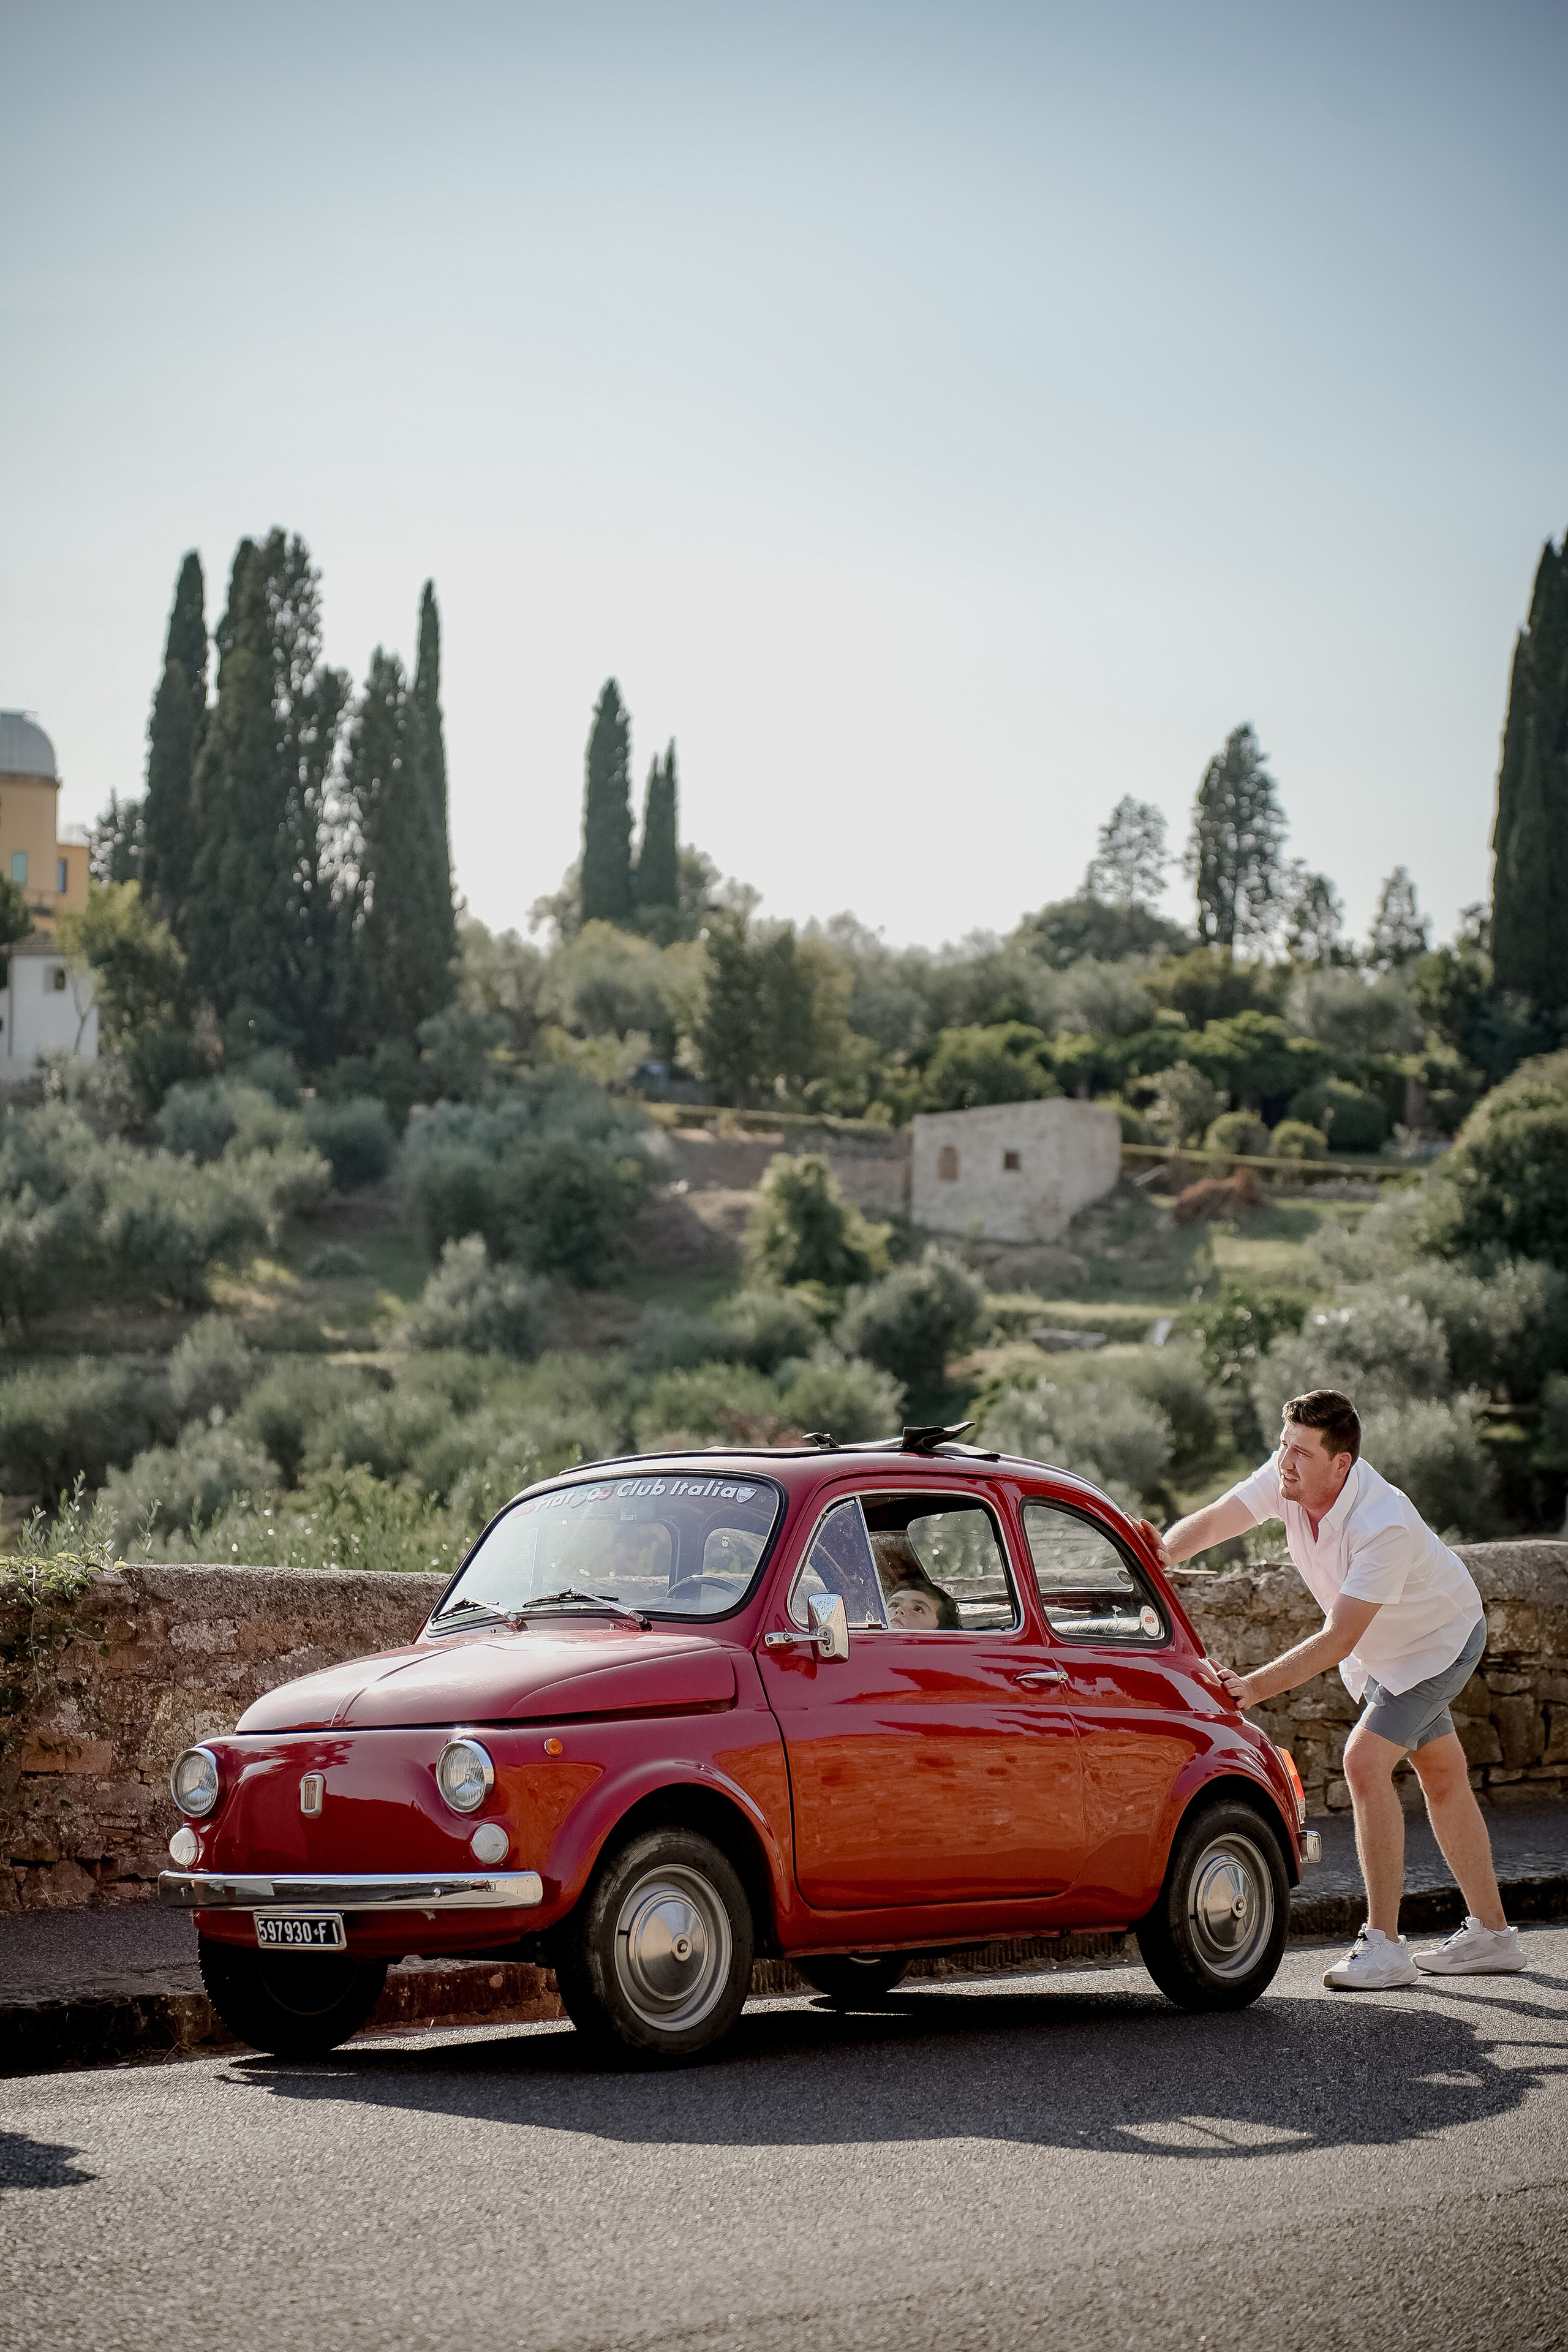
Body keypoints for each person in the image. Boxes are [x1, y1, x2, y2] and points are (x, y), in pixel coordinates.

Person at [1153, 1387, 1527, 1991]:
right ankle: (1493, 1936)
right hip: (1389, 1647)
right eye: (1283, 1445)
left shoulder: (1382, 1523)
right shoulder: (1289, 1477)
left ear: (1340, 1463)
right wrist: (1164, 1552)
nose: (1285, 1461)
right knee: (1442, 1775)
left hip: (1438, 1642)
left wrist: (1251, 1687)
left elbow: (1338, 1639)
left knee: (1363, 1761)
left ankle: (1384, 1946)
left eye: (1300, 1452)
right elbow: (1222, 1518)